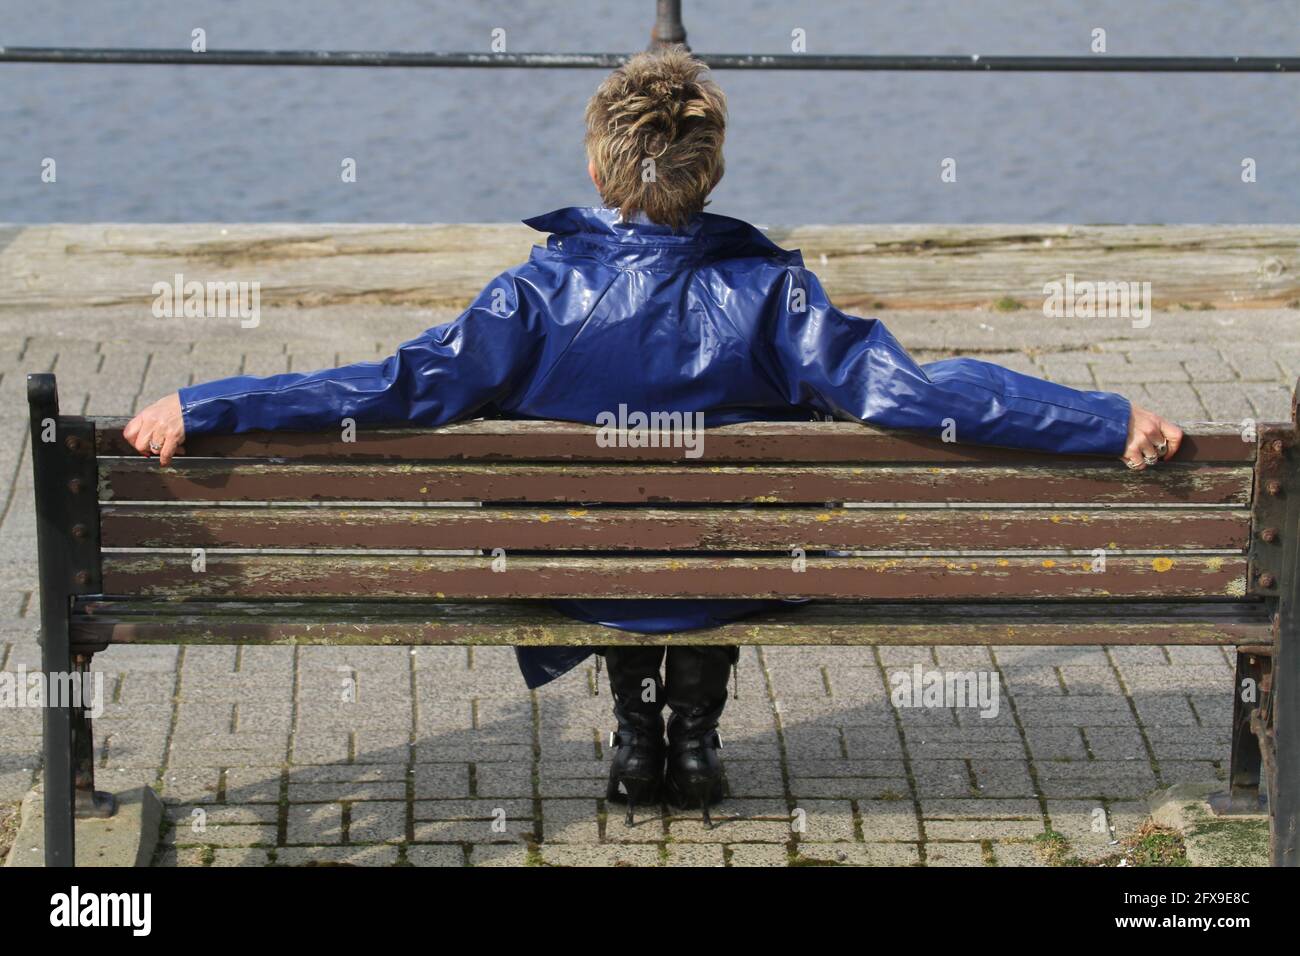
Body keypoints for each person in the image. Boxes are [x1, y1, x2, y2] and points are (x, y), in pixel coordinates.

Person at [124, 48, 1183, 825]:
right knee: (721, 524)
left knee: (618, 528)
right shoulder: (774, 292)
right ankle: (691, 740)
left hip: (576, 570)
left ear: (598, 171)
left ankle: (636, 740)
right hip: (737, 563)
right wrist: (1105, 419)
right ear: (708, 170)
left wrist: (212, 402)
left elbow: (388, 387)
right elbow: (916, 396)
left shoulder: (534, 290)